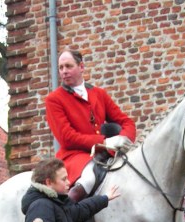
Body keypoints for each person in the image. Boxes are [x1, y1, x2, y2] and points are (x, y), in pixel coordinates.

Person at [45, 49, 136, 201]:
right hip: (74, 156)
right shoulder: (54, 99)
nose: (64, 71)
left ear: (81, 67)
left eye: (68, 66)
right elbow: (67, 138)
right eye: (61, 68)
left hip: (104, 154)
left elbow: (126, 121)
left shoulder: (99, 94)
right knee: (88, 178)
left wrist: (124, 139)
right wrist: (105, 142)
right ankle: (66, 215)